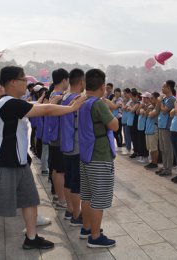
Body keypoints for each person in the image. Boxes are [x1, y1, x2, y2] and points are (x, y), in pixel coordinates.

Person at [0, 66, 86, 260]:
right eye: (23, 80)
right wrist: (71, 108)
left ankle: (31, 237)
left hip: (19, 163)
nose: (26, 84)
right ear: (13, 82)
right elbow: (44, 109)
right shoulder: (8, 104)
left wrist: (47, 103)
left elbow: (34, 107)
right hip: (2, 165)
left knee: (30, 200)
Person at [78, 69, 118, 248]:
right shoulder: (99, 104)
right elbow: (114, 126)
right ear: (103, 86)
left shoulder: (83, 102)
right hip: (100, 156)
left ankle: (86, 227)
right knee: (99, 198)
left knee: (86, 195)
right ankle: (95, 236)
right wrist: (111, 109)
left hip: (86, 155)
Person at [59, 68, 86, 226]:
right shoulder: (78, 99)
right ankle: (77, 215)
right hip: (76, 145)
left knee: (68, 180)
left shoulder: (65, 97)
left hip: (66, 143)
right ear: (81, 82)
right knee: (76, 183)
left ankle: (70, 210)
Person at [47, 69, 70, 212]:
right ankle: (62, 200)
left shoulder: (53, 95)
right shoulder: (59, 97)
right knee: (60, 170)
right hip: (59, 138)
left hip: (53, 136)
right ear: (64, 80)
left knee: (56, 169)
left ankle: (57, 195)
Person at [156, 80, 176, 176]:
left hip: (167, 127)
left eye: (164, 87)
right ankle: (164, 166)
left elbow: (164, 111)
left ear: (169, 88)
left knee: (168, 149)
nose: (162, 88)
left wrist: (160, 102)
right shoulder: (164, 99)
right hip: (161, 125)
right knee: (162, 148)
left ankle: (168, 169)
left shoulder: (172, 99)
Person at [144, 92, 160, 169]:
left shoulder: (158, 106)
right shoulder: (150, 106)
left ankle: (155, 162)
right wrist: (149, 109)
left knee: (154, 147)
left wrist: (150, 109)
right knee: (150, 147)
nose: (150, 100)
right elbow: (145, 114)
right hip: (148, 129)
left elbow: (151, 114)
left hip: (154, 129)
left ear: (157, 99)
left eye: (152, 98)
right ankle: (152, 162)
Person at [121, 88, 132, 155]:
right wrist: (123, 104)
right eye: (124, 93)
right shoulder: (124, 101)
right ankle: (127, 148)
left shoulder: (130, 101)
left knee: (128, 135)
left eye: (125, 93)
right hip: (124, 120)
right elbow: (123, 109)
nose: (124, 95)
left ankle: (129, 148)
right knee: (125, 134)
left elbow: (125, 108)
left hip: (128, 120)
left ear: (129, 93)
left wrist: (123, 104)